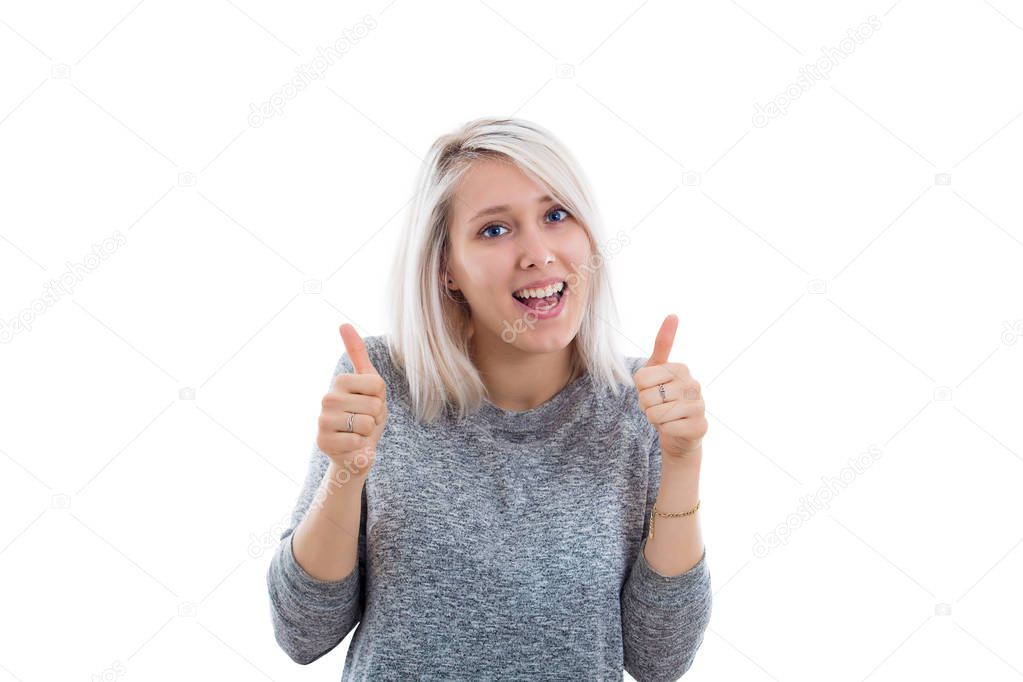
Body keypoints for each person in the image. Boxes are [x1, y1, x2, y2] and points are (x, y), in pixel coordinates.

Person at [266, 116, 712, 680]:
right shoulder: (382, 382)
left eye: (556, 215)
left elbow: (659, 660)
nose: (538, 253)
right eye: (495, 230)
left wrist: (683, 461)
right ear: (447, 268)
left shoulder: (642, 403)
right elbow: (302, 633)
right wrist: (344, 474)